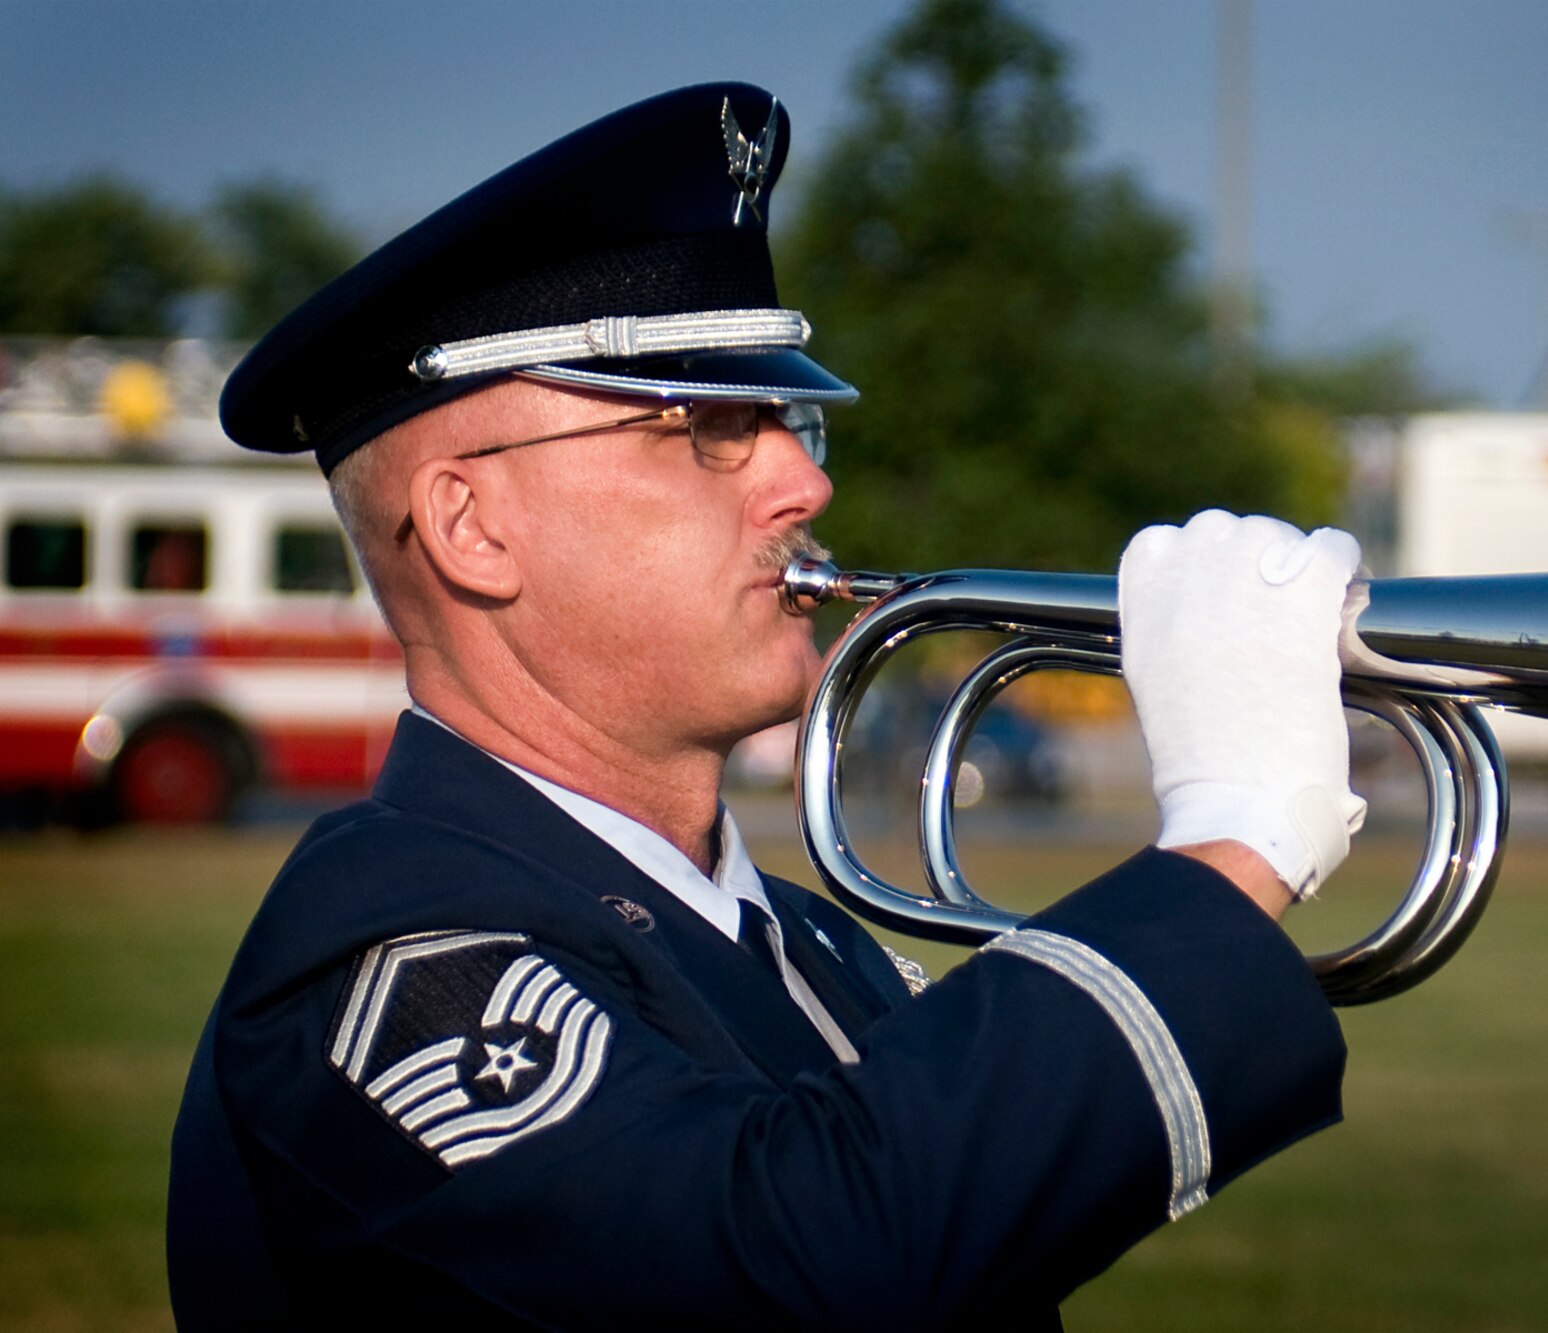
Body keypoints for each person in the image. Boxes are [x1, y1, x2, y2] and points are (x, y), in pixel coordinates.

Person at [166, 83, 1369, 1331]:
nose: (800, 475)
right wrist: (1227, 838)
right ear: (474, 526)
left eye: (786, 421)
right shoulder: (381, 957)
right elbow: (775, 1267)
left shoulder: (816, 948)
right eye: (704, 429)